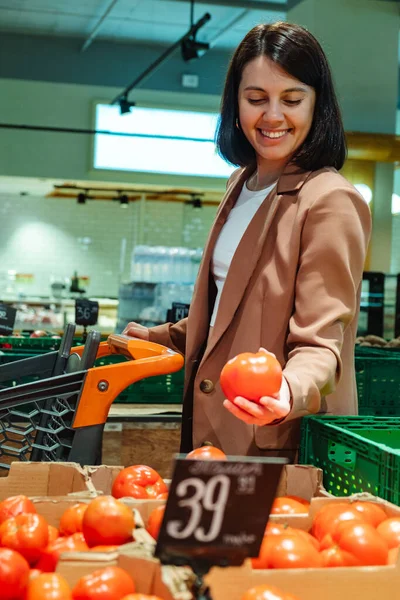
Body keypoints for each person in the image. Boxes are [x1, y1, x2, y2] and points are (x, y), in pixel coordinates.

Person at [123, 21, 372, 460]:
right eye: (256, 99)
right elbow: (231, 310)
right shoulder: (241, 184)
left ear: (318, 105)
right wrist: (158, 337)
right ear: (235, 104)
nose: (272, 116)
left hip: (272, 436)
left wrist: (288, 390)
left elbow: (321, 340)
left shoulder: (330, 199)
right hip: (212, 427)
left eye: (292, 100)